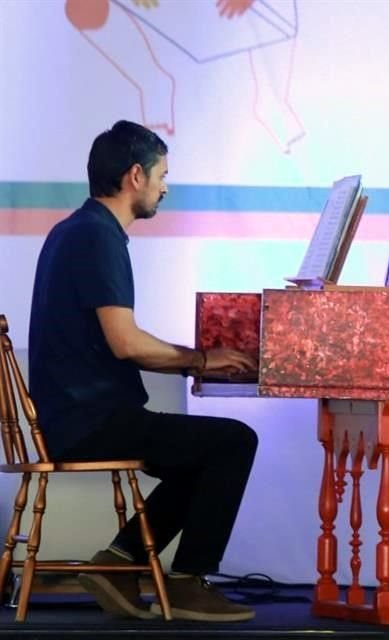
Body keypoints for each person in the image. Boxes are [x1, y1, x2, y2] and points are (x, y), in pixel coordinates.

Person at [28, 120, 260, 622]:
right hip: (87, 420)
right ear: (136, 175)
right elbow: (126, 342)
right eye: (162, 175)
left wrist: (192, 362)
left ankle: (121, 560)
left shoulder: (78, 229)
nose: (165, 186)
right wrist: (200, 359)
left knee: (202, 454)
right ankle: (185, 582)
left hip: (73, 414)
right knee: (234, 442)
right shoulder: (96, 237)